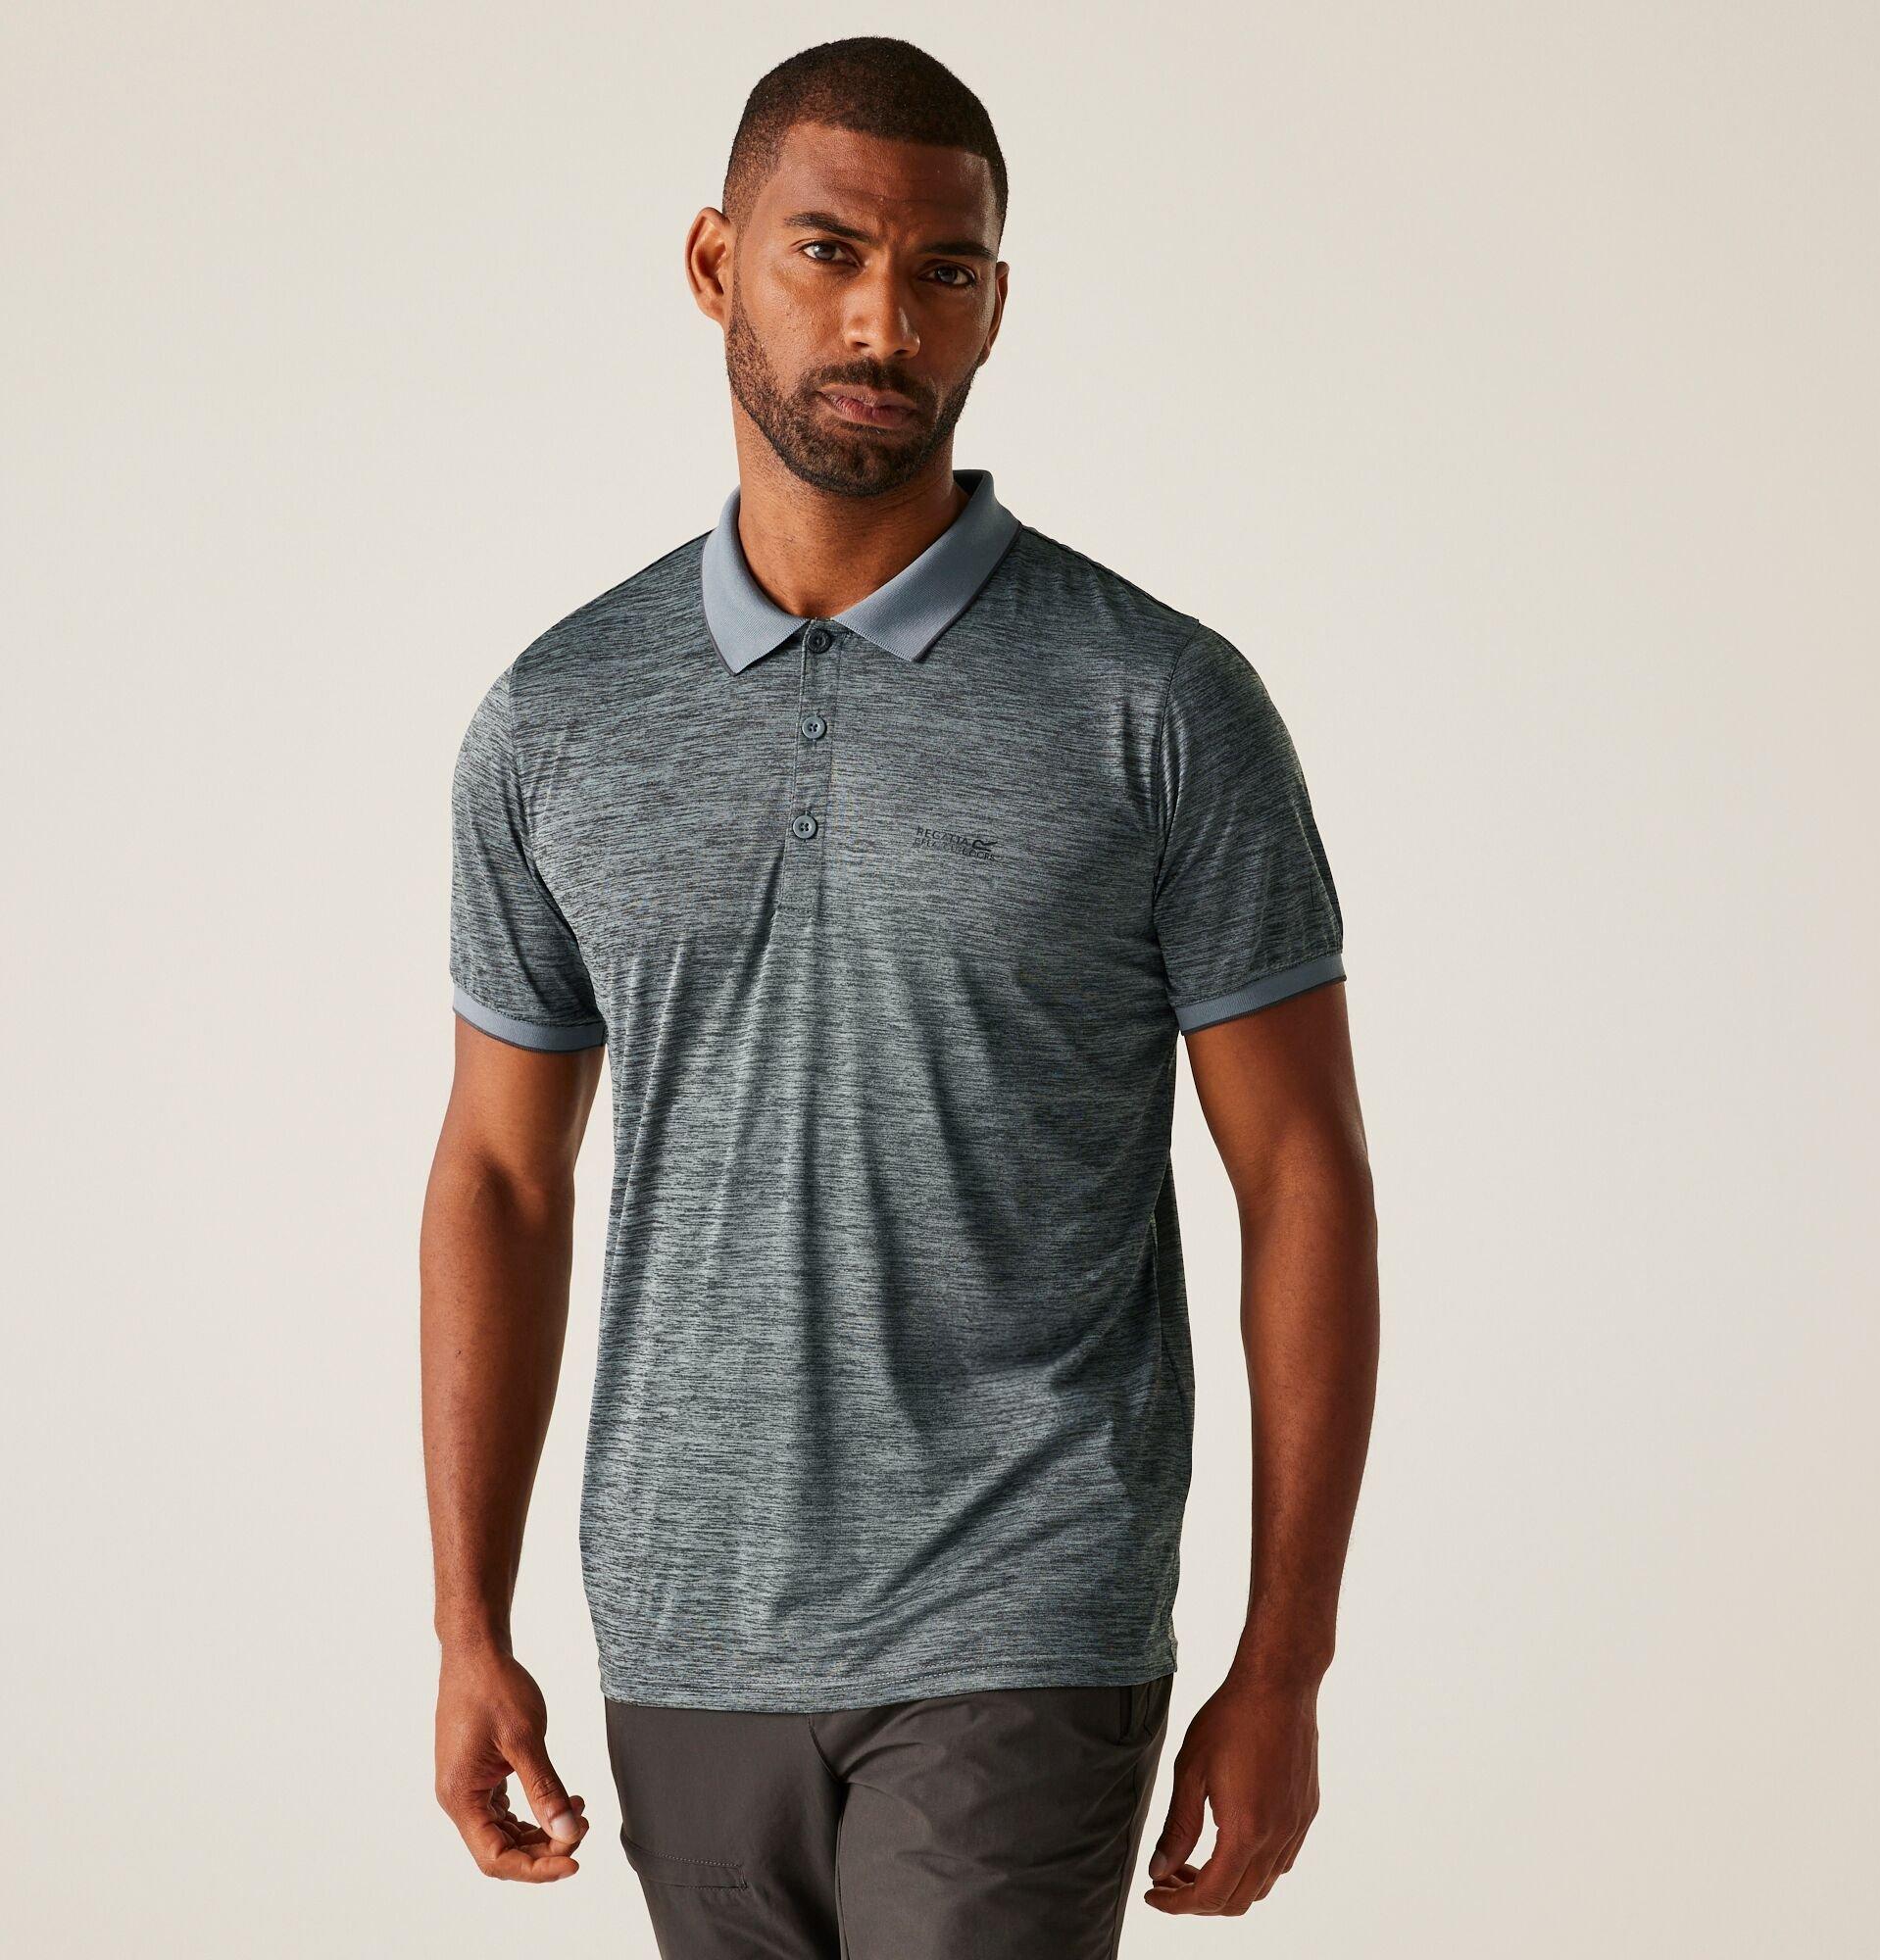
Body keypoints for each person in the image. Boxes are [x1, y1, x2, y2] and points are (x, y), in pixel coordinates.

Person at [420, 34, 1378, 1958]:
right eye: (828, 251)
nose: (883, 319)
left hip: (1027, 1603)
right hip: (683, 1620)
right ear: (715, 263)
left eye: (942, 271)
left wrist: (1284, 1660)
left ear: (994, 305)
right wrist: (467, 1625)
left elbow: (1301, 1178)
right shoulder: (558, 717)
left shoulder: (1157, 703)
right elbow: (502, 1178)